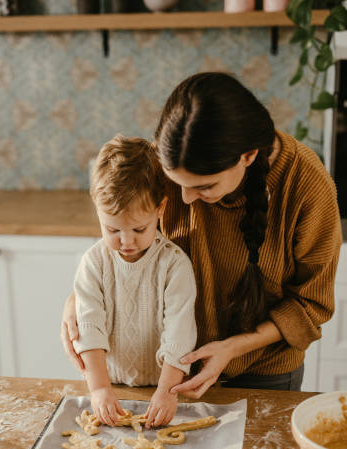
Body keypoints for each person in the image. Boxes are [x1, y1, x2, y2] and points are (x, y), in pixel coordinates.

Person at [61, 72, 342, 398]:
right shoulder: (162, 164)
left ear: (248, 156)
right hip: (172, 365)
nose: (185, 200)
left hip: (262, 372)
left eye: (204, 187)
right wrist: (76, 301)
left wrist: (233, 348)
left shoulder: (308, 187)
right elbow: (124, 244)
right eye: (175, 182)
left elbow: (311, 304)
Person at [71, 134, 197, 427]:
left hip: (163, 387)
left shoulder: (174, 265)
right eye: (112, 229)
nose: (126, 241)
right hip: (110, 386)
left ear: (160, 209)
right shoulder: (93, 263)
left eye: (139, 229)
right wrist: (100, 389)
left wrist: (166, 391)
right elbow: (89, 328)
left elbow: (179, 335)